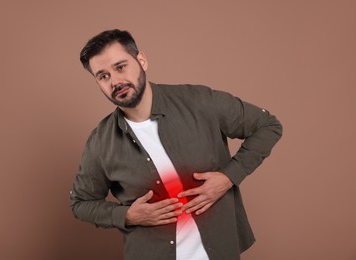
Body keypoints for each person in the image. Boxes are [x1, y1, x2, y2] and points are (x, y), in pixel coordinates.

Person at [70, 29, 282, 260]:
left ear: (141, 60)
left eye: (120, 67)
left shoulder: (199, 101)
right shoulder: (100, 142)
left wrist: (229, 177)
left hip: (219, 251)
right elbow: (81, 203)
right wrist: (127, 215)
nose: (115, 81)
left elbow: (267, 125)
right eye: (103, 76)